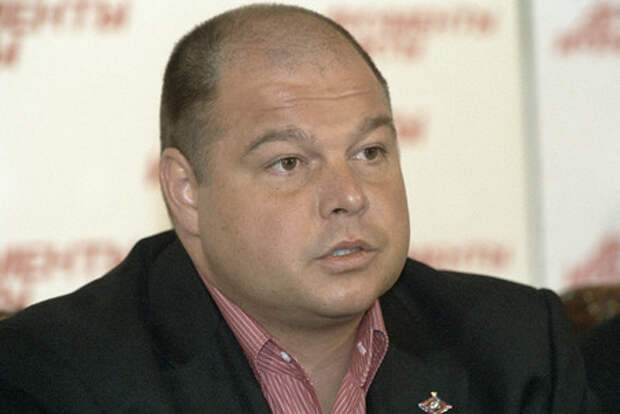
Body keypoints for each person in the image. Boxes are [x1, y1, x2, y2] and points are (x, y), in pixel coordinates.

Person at [0, 4, 602, 413]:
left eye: (369, 152)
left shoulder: (518, 348)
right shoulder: (58, 376)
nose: (349, 196)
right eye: (289, 162)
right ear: (186, 192)